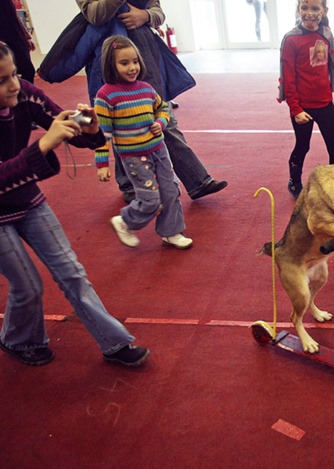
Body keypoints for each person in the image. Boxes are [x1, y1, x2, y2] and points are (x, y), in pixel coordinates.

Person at [0, 41, 149, 367]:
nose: (14, 84)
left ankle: (114, 343)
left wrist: (90, 130)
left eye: (14, 73)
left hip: (25, 197)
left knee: (72, 272)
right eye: (2, 80)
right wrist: (42, 147)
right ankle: (17, 339)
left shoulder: (24, 93)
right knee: (27, 286)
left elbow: (60, 121)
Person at [76, 0, 227, 202]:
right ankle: (129, 186)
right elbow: (94, 15)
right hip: (109, 57)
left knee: (163, 115)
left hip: (144, 53)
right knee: (118, 120)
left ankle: (197, 180)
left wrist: (146, 16)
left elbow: (158, 13)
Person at [95, 35, 192, 250]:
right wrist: (102, 164)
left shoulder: (146, 89)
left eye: (135, 61)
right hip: (134, 158)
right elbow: (102, 134)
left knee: (171, 191)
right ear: (111, 64)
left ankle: (171, 231)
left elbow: (162, 108)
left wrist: (160, 121)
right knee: (151, 199)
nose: (132, 68)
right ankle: (125, 220)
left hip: (159, 150)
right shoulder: (106, 96)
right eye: (124, 63)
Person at [278, 0, 334, 199]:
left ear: (324, 11)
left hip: (325, 103)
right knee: (302, 146)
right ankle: (294, 181)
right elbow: (288, 78)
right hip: (302, 107)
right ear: (298, 10)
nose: (309, 13)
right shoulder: (291, 39)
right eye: (304, 8)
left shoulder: (326, 34)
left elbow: (332, 65)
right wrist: (295, 109)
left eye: (315, 8)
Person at [0, 0, 35, 84]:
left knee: (28, 71)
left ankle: (25, 96)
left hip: (16, 37)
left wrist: (27, 37)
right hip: (3, 42)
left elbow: (14, 16)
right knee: (8, 74)